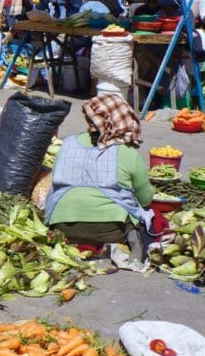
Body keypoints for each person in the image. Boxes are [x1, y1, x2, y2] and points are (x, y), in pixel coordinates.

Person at [44, 93, 153, 259]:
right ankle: (131, 244)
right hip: (110, 231)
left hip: (62, 227)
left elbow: (54, 184)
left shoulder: (68, 144)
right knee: (143, 217)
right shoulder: (126, 152)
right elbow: (145, 199)